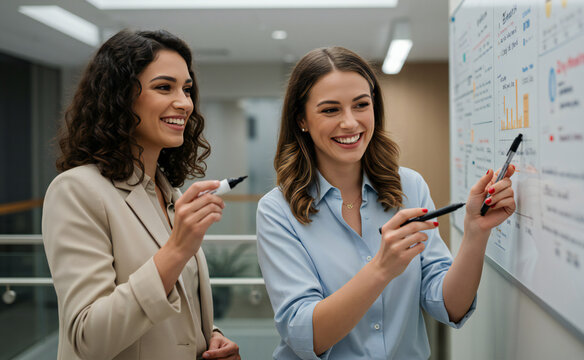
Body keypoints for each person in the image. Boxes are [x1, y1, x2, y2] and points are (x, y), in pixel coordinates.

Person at [256, 47, 516, 359]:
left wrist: (476, 232)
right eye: (330, 110)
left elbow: (450, 306)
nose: (351, 123)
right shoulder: (277, 211)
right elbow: (306, 335)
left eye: (361, 105)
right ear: (301, 120)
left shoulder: (410, 187)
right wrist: (380, 269)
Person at [42, 29, 241, 360]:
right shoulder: (75, 191)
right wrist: (177, 250)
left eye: (187, 89)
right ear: (119, 98)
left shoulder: (169, 192)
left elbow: (176, 307)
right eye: (164, 87)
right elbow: (89, 338)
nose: (185, 103)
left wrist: (211, 338)